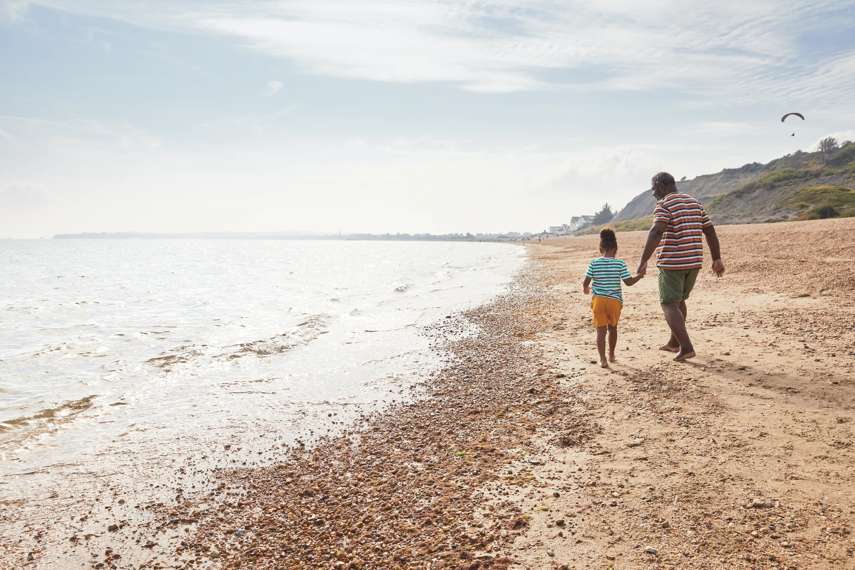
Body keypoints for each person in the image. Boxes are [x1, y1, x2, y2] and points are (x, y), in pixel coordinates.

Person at [636, 172, 725, 361]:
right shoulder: (694, 202)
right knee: (679, 302)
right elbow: (709, 230)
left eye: (653, 188)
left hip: (672, 263)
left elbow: (657, 231)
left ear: (660, 185)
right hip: (693, 263)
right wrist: (716, 258)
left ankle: (686, 347)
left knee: (668, 303)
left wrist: (643, 260)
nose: (653, 194)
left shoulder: (664, 204)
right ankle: (674, 342)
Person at [583, 229, 644, 368]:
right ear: (615, 248)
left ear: (601, 248)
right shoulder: (620, 264)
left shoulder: (594, 263)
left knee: (600, 331)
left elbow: (586, 282)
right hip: (614, 301)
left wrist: (586, 289)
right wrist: (640, 276)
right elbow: (628, 282)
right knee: (613, 329)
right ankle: (611, 355)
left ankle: (603, 360)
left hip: (599, 300)